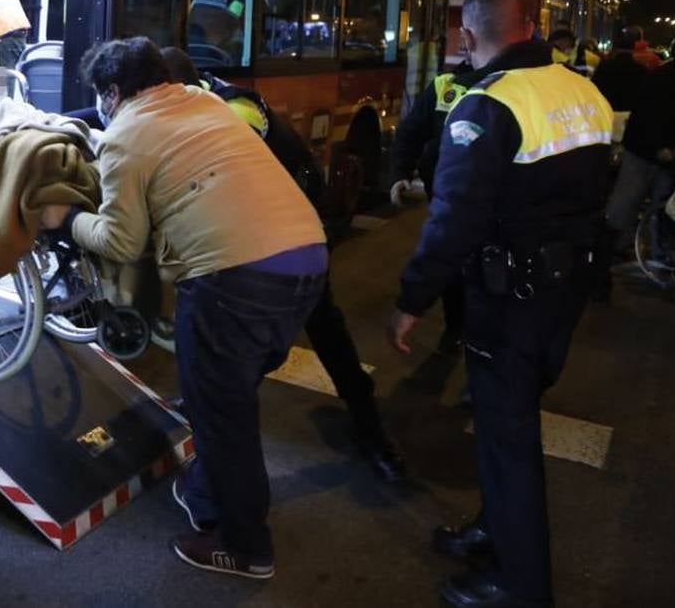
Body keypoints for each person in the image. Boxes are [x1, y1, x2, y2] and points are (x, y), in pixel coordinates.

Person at [40, 37, 328, 581]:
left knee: (224, 417)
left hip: (237, 278)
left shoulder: (126, 134)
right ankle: (207, 496)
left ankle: (246, 547)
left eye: (101, 97)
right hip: (307, 264)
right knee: (225, 394)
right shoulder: (208, 104)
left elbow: (121, 241)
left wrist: (64, 219)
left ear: (112, 91)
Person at [387, 0, 612, 608]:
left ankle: (519, 584)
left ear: (468, 35)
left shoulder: (487, 106)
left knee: (508, 441)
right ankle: (495, 530)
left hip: (511, 298)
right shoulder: (582, 90)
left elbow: (452, 220)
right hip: (562, 294)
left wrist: (412, 301)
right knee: (506, 427)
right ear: (532, 26)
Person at [161, 46, 405, 482]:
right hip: (260, 233)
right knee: (222, 326)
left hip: (292, 229)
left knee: (322, 330)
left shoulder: (235, 111)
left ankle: (373, 436)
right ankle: (202, 405)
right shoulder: (196, 101)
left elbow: (228, 174)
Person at [389, 58, 481, 353]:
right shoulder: (445, 86)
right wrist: (401, 173)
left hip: (489, 202)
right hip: (445, 193)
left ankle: (476, 335)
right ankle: (456, 327)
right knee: (451, 264)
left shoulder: (511, 86)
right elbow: (411, 132)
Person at [602, 29, 675, 258]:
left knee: (668, 205)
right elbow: (647, 118)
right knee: (626, 202)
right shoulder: (659, 80)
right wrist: (659, 147)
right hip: (644, 151)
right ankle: (611, 250)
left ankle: (661, 250)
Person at [591, 26, 649, 111]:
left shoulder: (605, 66)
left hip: (607, 110)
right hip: (630, 113)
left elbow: (595, 88)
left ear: (616, 49)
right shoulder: (642, 70)